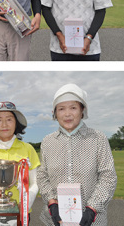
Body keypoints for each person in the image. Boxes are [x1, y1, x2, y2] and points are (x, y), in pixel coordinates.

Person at [37, 83, 117, 226]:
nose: (67, 114)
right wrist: (51, 202)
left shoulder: (98, 138)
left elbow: (108, 177)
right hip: (55, 220)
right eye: (61, 109)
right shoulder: (47, 141)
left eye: (73, 107)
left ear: (82, 110)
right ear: (55, 113)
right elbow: (42, 175)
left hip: (93, 220)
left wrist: (92, 208)